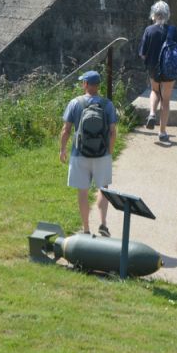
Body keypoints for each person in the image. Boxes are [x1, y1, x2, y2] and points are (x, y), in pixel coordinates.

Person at [59, 70, 119, 236]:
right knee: (103, 190)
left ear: (85, 84)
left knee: (83, 192)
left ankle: (86, 229)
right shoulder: (107, 105)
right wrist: (109, 152)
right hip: (102, 154)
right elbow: (112, 132)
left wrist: (62, 149)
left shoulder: (75, 103)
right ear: (98, 85)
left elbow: (66, 130)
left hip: (80, 154)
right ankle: (103, 224)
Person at [138, 0, 177, 143]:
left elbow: (142, 54)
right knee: (166, 100)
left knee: (154, 90)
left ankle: (152, 113)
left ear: (154, 14)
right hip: (169, 68)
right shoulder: (173, 31)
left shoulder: (149, 30)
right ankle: (162, 132)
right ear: (167, 14)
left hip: (153, 67)